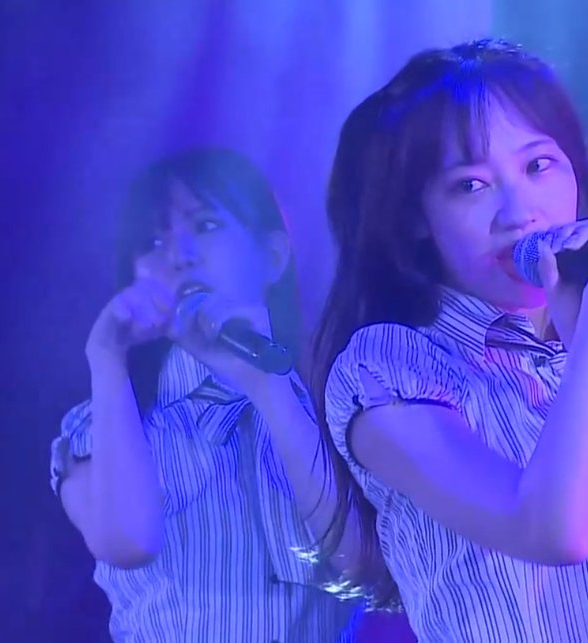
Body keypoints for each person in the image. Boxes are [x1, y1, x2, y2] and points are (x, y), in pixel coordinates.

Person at [306, 39, 588, 642]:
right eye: (471, 185)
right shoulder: (390, 367)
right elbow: (553, 531)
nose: (520, 212)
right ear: (417, 218)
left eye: (539, 166)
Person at [49, 147, 362, 641]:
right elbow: (127, 541)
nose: (180, 255)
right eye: (153, 241)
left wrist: (269, 388)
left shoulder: (339, 408)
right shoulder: (103, 424)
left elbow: (359, 562)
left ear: (272, 257)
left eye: (206, 225)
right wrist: (106, 356)